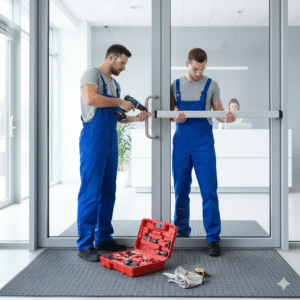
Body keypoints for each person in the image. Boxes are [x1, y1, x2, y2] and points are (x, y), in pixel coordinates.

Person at [78, 44, 151, 262]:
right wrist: (119, 101)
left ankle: (103, 239)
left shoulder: (115, 84)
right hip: (93, 140)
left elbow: (117, 115)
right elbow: (90, 99)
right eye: (122, 63)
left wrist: (134, 118)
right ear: (111, 57)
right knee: (91, 193)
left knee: (108, 192)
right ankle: (85, 245)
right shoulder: (92, 74)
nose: (124, 67)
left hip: (110, 139)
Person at [170, 48, 236, 256]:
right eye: (195, 69)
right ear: (187, 63)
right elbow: (170, 112)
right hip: (181, 140)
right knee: (181, 189)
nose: (199, 73)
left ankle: (213, 238)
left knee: (209, 190)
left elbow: (218, 113)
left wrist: (227, 117)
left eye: (202, 69)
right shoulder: (176, 84)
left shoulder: (211, 85)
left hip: (203, 142)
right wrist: (174, 116)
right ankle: (181, 232)